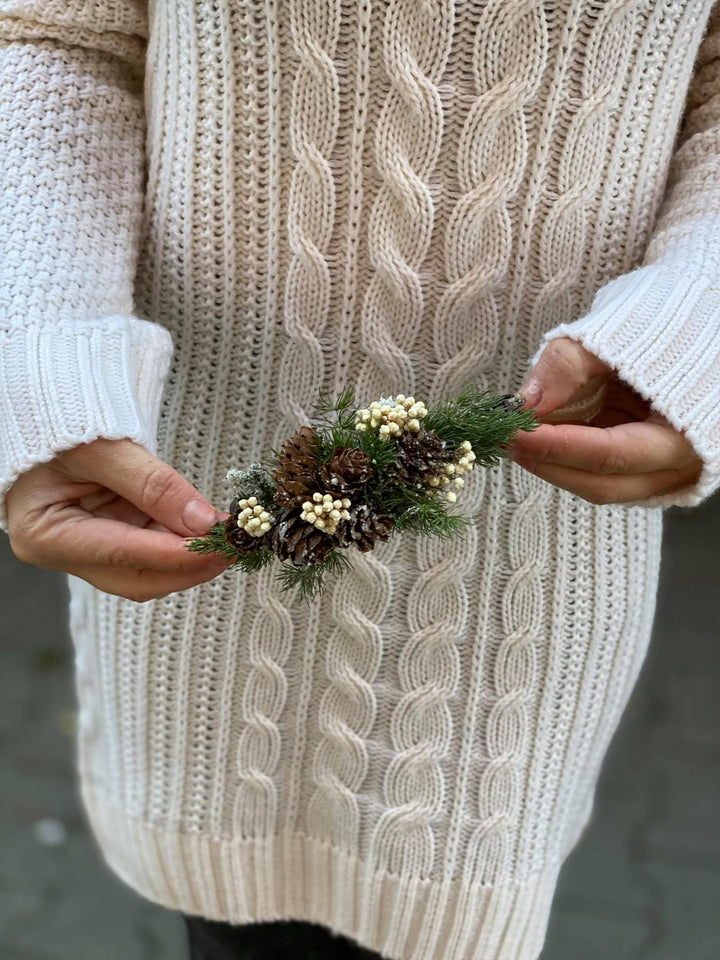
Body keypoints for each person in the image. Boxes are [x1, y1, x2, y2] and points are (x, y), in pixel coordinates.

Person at [2, 2, 719, 958]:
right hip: (195, 539)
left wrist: (695, 324)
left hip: (516, 595)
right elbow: (58, 36)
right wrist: (44, 348)